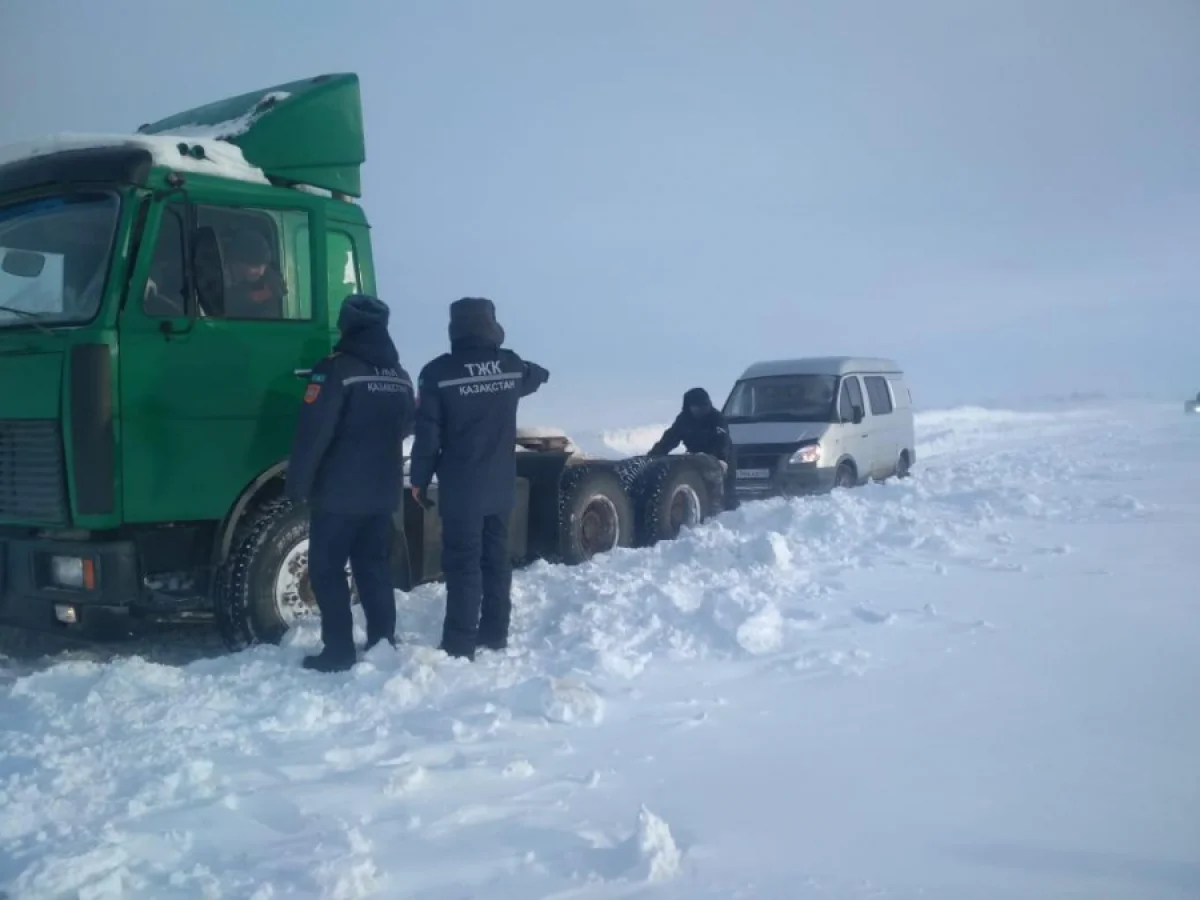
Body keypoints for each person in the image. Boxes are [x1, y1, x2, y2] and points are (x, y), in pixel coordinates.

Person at [408, 297, 549, 661]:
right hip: (500, 487)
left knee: (463, 565)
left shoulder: (437, 373)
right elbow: (538, 374)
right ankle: (495, 633)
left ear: (454, 327)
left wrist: (419, 479)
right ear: (491, 325)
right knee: (496, 560)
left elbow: (428, 437)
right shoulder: (511, 366)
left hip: (461, 489)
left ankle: (459, 643)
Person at [284, 294, 415, 672]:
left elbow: (314, 432)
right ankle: (381, 642)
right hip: (382, 492)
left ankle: (339, 649)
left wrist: (297, 484)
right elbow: (408, 424)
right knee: (373, 567)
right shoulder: (399, 376)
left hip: (339, 494)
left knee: (327, 570)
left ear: (346, 325)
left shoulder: (334, 370)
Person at [647, 387, 740, 511]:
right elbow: (669, 439)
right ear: (690, 407)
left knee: (728, 495)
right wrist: (653, 456)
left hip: (722, 457)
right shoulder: (683, 420)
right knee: (701, 490)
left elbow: (722, 441)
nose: (703, 410)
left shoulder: (717, 418)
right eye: (699, 407)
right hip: (696, 458)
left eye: (705, 406)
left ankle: (732, 518)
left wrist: (722, 459)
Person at [224, 229, 284, 318]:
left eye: (264, 266)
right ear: (236, 262)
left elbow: (277, 284)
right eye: (256, 266)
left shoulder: (264, 275)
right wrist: (255, 297)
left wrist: (275, 287)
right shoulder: (218, 276)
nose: (261, 272)